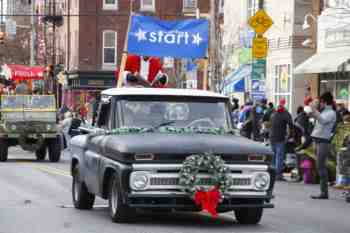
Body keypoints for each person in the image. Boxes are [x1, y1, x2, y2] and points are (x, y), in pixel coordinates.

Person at [309, 92, 337, 200]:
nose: (319, 104)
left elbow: (323, 120)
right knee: (319, 166)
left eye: (320, 102)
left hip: (323, 141)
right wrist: (313, 111)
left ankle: (324, 192)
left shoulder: (331, 113)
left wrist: (314, 110)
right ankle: (323, 191)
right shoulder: (325, 111)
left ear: (324, 102)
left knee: (321, 166)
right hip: (318, 140)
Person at [269, 99, 294, 181]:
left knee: (273, 156)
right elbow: (291, 125)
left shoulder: (273, 114)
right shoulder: (285, 114)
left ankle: (272, 173)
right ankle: (278, 175)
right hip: (280, 138)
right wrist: (290, 136)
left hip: (272, 137)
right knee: (279, 157)